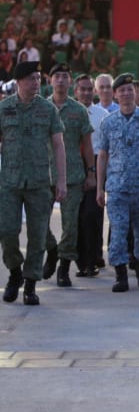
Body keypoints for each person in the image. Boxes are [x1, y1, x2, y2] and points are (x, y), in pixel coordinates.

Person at [0, 61, 67, 306]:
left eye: (39, 78)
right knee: (6, 231)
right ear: (19, 82)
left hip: (39, 182)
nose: (36, 82)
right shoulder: (4, 108)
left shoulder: (48, 110)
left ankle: (29, 284)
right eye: (31, 78)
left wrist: (61, 180)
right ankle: (15, 272)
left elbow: (58, 145)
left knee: (38, 235)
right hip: (9, 181)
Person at [96, 73, 139, 292]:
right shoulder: (108, 122)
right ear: (115, 94)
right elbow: (103, 155)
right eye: (122, 90)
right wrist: (100, 188)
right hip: (118, 187)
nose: (126, 93)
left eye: (130, 89)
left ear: (136, 92)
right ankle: (120, 274)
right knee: (119, 230)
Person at [42, 63, 95, 288]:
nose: (61, 80)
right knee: (39, 221)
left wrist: (91, 173)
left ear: (70, 81)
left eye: (65, 76)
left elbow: (87, 144)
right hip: (43, 174)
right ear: (50, 81)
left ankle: (64, 267)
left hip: (73, 174)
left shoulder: (79, 110)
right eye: (57, 76)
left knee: (70, 224)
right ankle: (52, 250)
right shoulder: (40, 108)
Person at [74, 74, 110, 276]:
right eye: (83, 89)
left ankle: (92, 259)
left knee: (92, 213)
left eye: (90, 89)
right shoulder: (68, 112)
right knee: (77, 216)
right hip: (73, 164)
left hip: (96, 163)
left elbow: (106, 147)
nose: (86, 93)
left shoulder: (102, 114)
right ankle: (81, 259)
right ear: (76, 91)